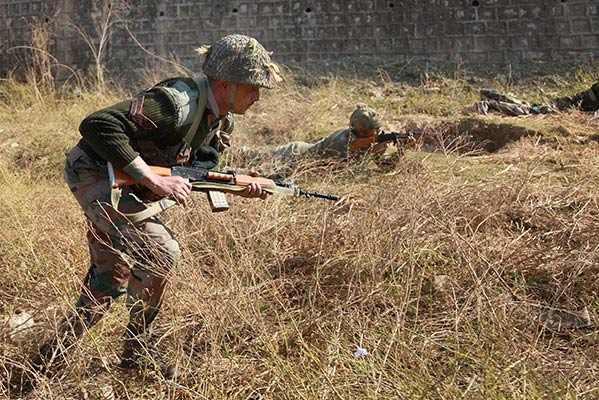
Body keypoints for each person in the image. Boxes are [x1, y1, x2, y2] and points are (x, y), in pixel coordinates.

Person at [26, 34, 281, 383]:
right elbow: (97, 125)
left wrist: (238, 187)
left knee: (107, 281)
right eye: (252, 88)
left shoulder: (219, 119)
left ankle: (42, 364)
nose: (258, 97)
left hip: (125, 182)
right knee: (162, 251)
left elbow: (194, 172)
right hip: (95, 172)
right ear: (225, 84)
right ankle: (137, 350)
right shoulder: (176, 103)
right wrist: (150, 178)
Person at [228, 105, 415, 175]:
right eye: (375, 129)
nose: (379, 131)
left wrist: (401, 149)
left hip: (300, 165)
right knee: (253, 158)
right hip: (295, 156)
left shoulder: (367, 142)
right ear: (362, 129)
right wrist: (374, 148)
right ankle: (227, 154)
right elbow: (349, 160)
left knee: (257, 170)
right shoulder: (344, 139)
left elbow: (383, 168)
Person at [464, 65, 599, 116]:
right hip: (562, 108)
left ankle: (490, 95)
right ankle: (487, 104)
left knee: (526, 105)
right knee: (526, 111)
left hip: (562, 105)